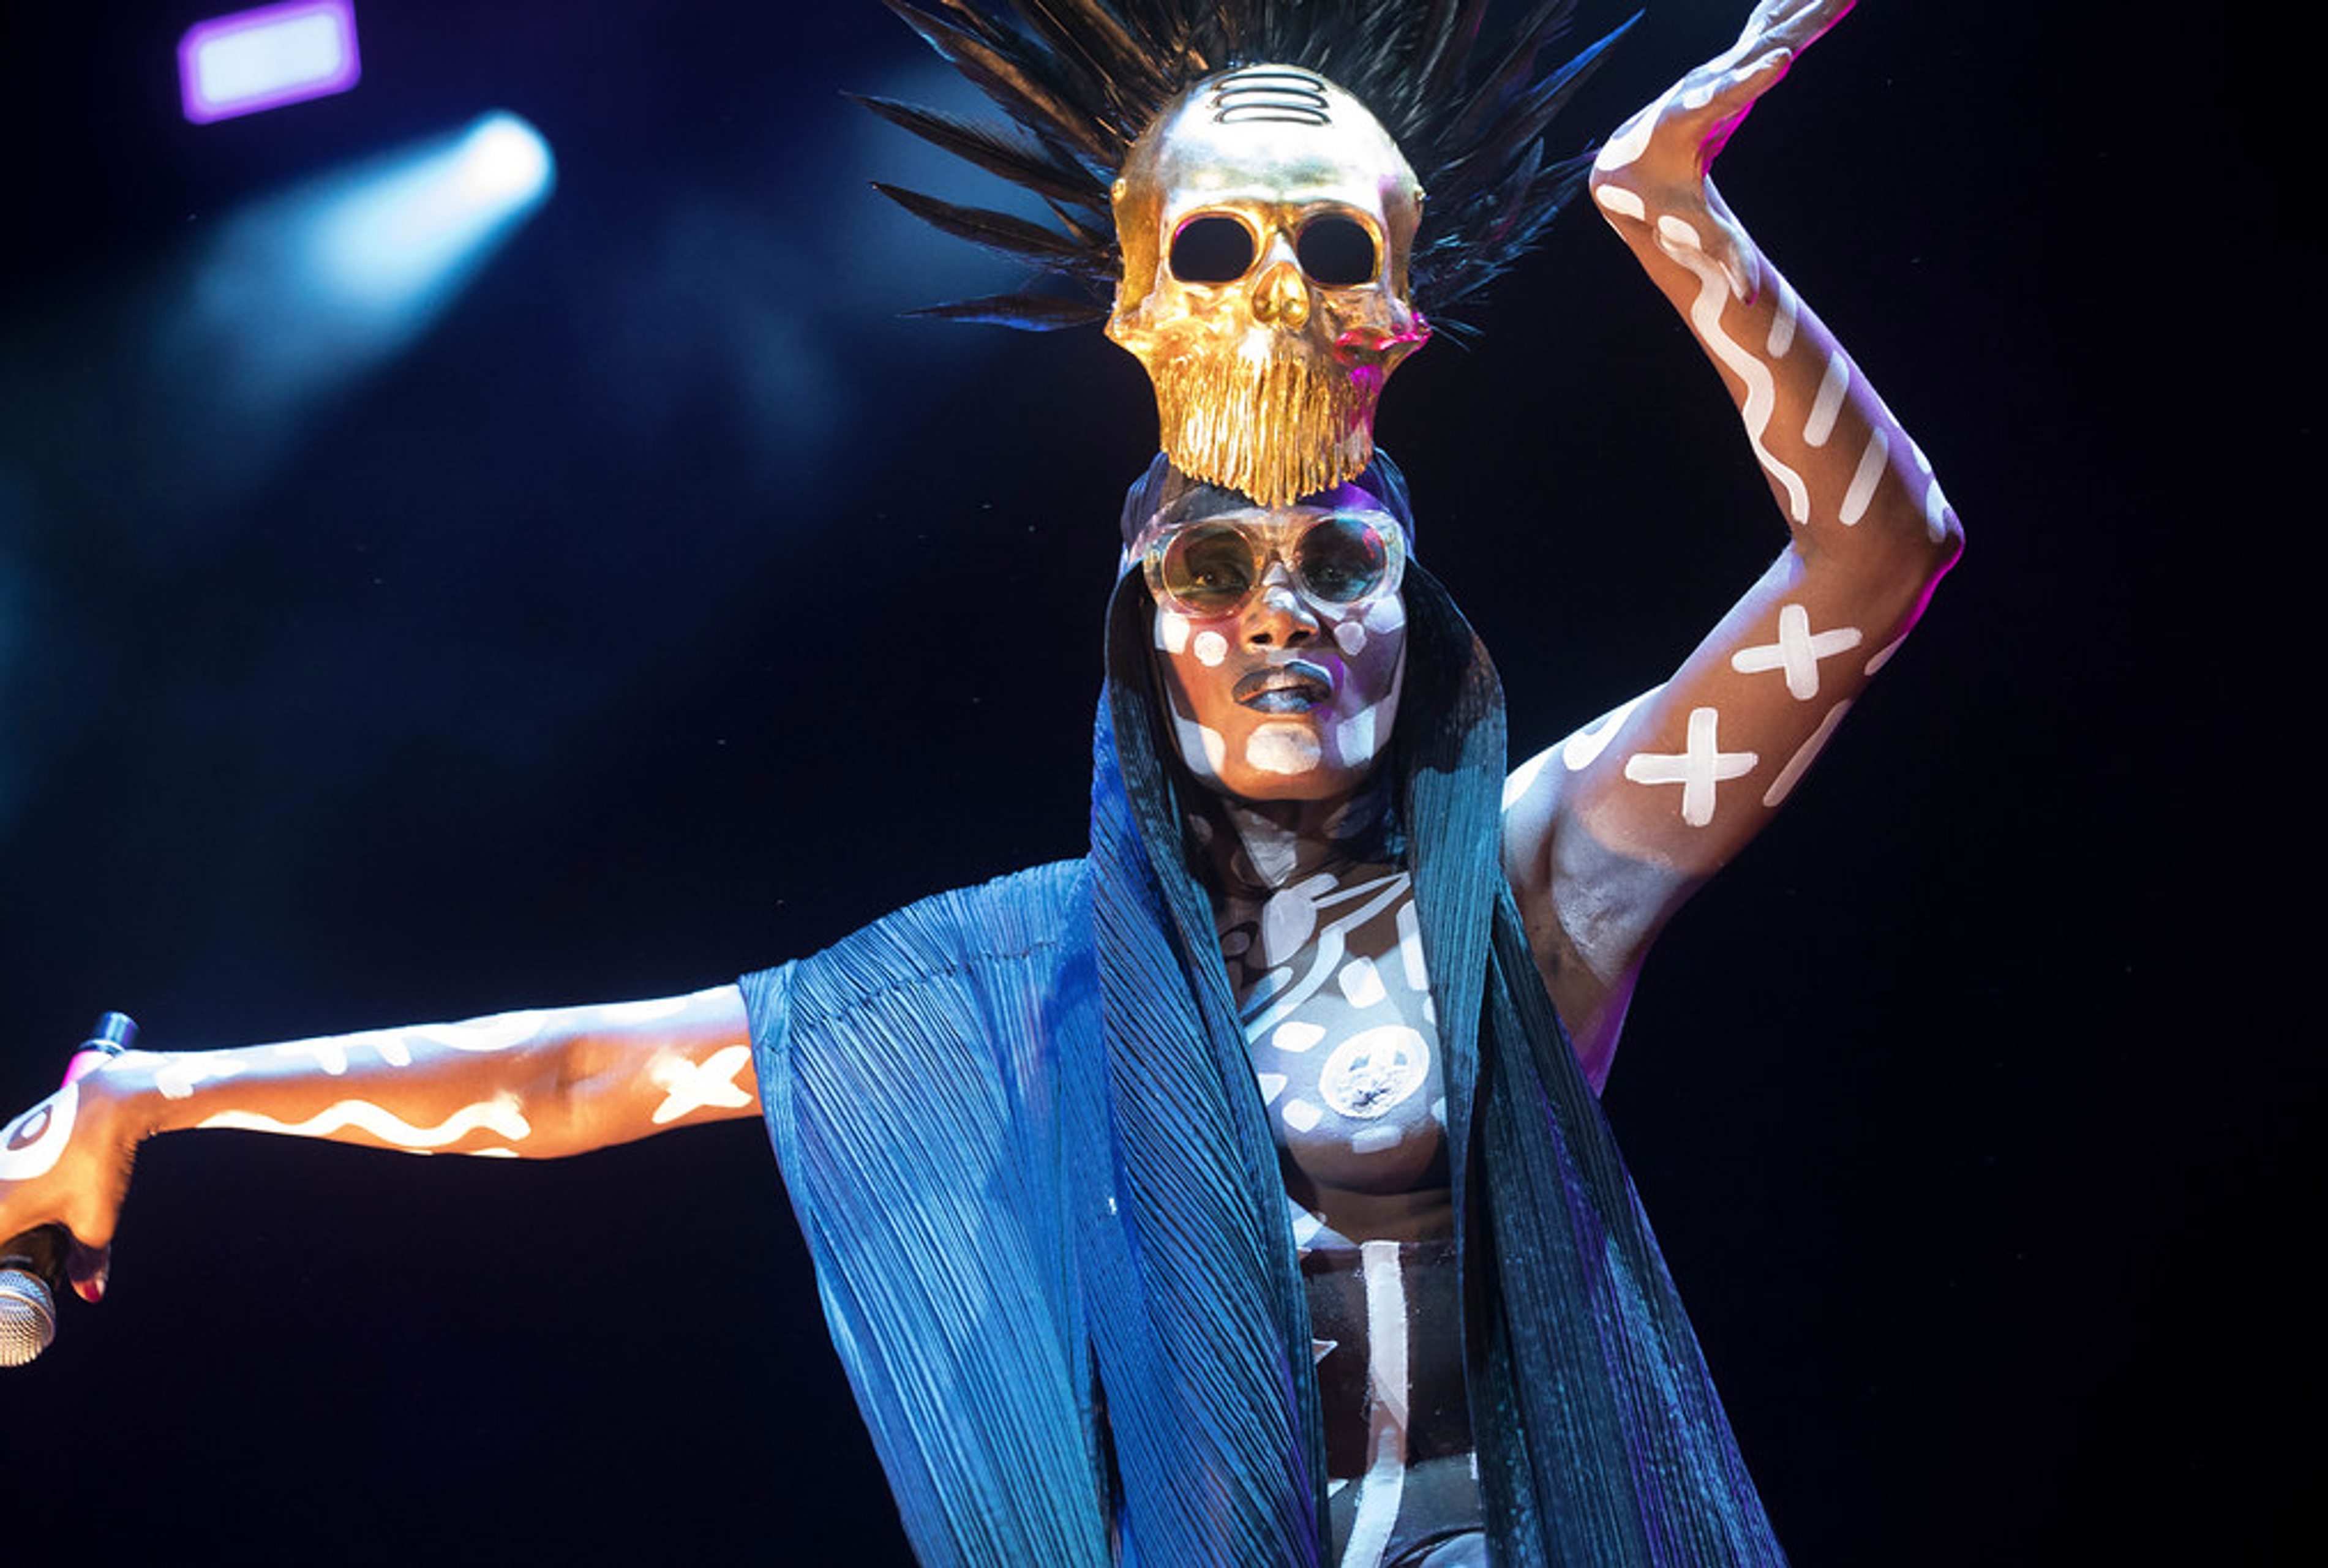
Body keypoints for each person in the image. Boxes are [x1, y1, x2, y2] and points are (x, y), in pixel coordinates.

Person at [1, 2, 1958, 1561]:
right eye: (1215, 571)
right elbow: (588, 1076)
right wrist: (159, 1099)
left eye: (1343, 565)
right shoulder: (1021, 984)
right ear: (1144, 628)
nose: (1284, 616)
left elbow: (1874, 560)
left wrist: (1673, 210)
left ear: (1418, 613)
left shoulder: (1539, 880)